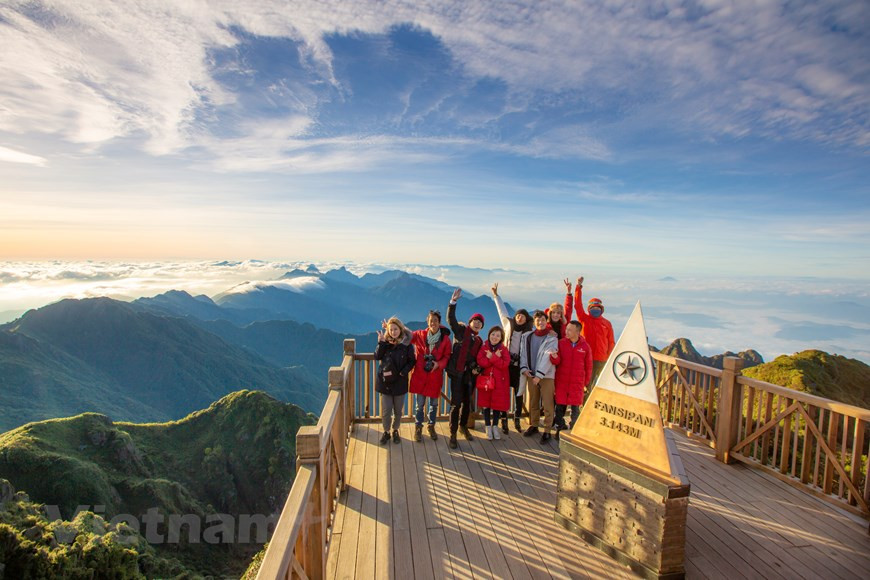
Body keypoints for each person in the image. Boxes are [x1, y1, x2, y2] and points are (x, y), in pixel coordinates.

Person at [490, 282, 533, 433]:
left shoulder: (529, 333)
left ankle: (516, 419)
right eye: (518, 314)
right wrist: (496, 296)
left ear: (527, 319)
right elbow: (501, 311)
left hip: (520, 366)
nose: (519, 317)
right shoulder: (508, 324)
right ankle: (504, 420)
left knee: (519, 393)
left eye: (523, 316)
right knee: (504, 392)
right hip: (506, 364)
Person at [446, 288, 484, 450]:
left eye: (479, 322)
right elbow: (450, 319)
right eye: (474, 321)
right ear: (469, 323)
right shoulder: (461, 331)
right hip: (456, 373)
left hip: (470, 376)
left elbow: (479, 359)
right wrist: (452, 302)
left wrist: (477, 368)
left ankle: (463, 427)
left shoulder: (479, 341)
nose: (476, 323)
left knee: (467, 403)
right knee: (455, 404)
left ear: (481, 327)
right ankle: (453, 433)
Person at [409, 310, 452, 442]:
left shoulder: (445, 339)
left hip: (434, 376)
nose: (433, 323)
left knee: (434, 405)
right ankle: (418, 427)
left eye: (436, 320)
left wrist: (438, 364)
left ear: (439, 323)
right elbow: (406, 335)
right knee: (419, 405)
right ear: (427, 321)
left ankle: (431, 426)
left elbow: (447, 356)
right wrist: (391, 327)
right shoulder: (420, 335)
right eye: (431, 320)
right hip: (421, 376)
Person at [518, 310, 559, 443]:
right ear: (534, 322)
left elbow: (548, 356)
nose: (540, 322)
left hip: (546, 375)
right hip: (531, 374)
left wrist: (539, 375)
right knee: (533, 402)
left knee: (548, 403)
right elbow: (523, 353)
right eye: (537, 320)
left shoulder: (552, 338)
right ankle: (534, 425)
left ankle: (547, 430)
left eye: (542, 320)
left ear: (546, 321)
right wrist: (524, 368)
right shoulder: (527, 336)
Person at [375, 317, 416, 445]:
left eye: (395, 329)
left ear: (400, 329)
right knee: (386, 410)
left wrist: (404, 372)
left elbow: (412, 361)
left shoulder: (406, 345)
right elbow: (377, 356)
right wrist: (381, 342)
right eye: (391, 329)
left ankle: (395, 430)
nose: (393, 332)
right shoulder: (385, 343)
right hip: (385, 383)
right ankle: (386, 431)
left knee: (398, 411)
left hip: (400, 382)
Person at [549, 320, 593, 439]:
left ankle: (574, 430)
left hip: (577, 383)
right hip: (562, 381)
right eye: (566, 329)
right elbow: (557, 362)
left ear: (577, 332)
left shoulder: (585, 347)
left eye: (569, 330)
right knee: (560, 408)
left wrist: (586, 382)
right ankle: (560, 428)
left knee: (575, 409)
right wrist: (553, 357)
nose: (566, 331)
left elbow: (589, 366)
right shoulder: (561, 343)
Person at [573, 276, 615, 391]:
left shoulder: (607, 323)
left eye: (598, 308)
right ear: (589, 308)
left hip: (602, 360)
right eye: (593, 308)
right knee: (585, 384)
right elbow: (577, 305)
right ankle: (582, 406)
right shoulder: (584, 319)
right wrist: (578, 287)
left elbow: (611, 342)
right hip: (586, 358)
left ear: (601, 309)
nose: (595, 310)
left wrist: (609, 357)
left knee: (599, 387)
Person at [476, 326, 510, 441]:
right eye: (493, 334)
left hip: (499, 382)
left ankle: (495, 426)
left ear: (501, 338)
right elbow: (481, 362)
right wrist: (495, 358)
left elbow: (505, 364)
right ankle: (487, 426)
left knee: (497, 405)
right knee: (486, 404)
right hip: (487, 381)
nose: (495, 337)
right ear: (489, 334)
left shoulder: (504, 349)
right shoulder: (484, 347)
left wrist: (492, 357)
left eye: (498, 335)